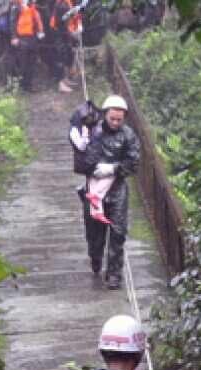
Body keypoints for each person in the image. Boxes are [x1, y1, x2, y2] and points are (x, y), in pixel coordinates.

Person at [80, 95, 140, 289]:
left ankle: (114, 275)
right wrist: (94, 167)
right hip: (95, 190)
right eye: (112, 118)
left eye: (119, 119)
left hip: (117, 189)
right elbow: (83, 159)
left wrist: (113, 169)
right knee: (94, 233)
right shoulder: (94, 132)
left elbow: (133, 162)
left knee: (118, 232)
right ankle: (95, 257)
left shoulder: (128, 135)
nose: (115, 122)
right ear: (105, 115)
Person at [45, 0, 82, 93]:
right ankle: (61, 85)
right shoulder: (62, 4)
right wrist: (72, 33)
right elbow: (61, 22)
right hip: (59, 34)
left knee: (66, 56)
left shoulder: (67, 3)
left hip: (64, 34)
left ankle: (65, 80)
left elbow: (71, 19)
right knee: (60, 58)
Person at [9, 0, 45, 91]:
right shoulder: (17, 6)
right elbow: (12, 22)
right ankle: (19, 86)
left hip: (32, 37)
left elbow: (35, 20)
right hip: (21, 38)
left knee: (31, 62)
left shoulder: (32, 6)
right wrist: (14, 37)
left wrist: (39, 33)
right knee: (21, 62)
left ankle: (28, 85)